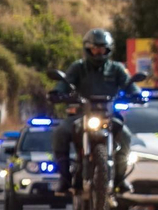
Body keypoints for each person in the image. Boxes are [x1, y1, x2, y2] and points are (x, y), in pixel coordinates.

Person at [52, 28, 136, 195]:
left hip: (109, 115)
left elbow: (130, 86)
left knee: (125, 135)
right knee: (60, 132)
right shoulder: (78, 67)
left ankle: (120, 178)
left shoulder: (117, 69)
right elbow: (65, 83)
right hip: (82, 115)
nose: (98, 52)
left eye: (102, 48)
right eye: (95, 48)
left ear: (108, 49)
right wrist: (57, 93)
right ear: (88, 48)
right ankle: (64, 178)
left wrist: (137, 94)